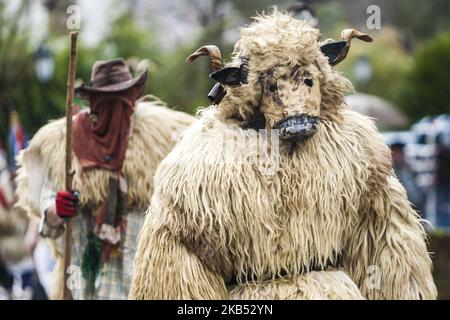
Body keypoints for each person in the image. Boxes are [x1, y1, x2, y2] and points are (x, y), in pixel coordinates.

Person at [15, 58, 194, 299]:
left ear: (132, 99)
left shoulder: (160, 142)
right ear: (93, 102)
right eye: (106, 101)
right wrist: (57, 209)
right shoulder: (66, 146)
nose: (115, 110)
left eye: (121, 100)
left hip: (141, 280)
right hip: (88, 283)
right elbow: (48, 224)